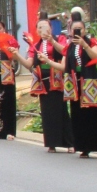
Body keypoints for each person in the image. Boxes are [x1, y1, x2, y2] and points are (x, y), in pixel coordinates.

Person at [15, 20, 73, 152]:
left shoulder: (60, 39)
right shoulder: (35, 45)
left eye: (45, 27)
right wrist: (17, 55)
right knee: (47, 113)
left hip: (57, 80)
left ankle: (68, 142)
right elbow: (29, 64)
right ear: (37, 31)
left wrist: (52, 41)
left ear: (50, 28)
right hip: (43, 82)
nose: (43, 30)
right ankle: (51, 143)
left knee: (62, 111)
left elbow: (65, 51)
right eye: (39, 28)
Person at [64, 12, 97, 159]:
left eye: (80, 29)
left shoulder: (92, 42)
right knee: (78, 115)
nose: (77, 31)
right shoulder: (70, 46)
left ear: (84, 30)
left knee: (95, 115)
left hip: (89, 82)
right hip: (75, 83)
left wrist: (84, 45)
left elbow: (96, 56)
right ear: (71, 31)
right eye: (74, 29)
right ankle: (84, 147)